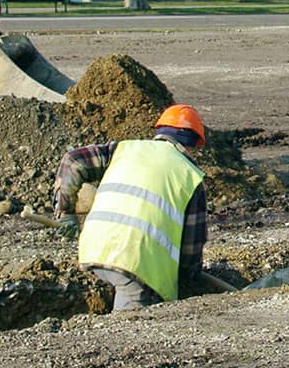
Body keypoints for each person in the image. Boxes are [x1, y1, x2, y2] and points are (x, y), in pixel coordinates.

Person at [52, 104, 210, 310]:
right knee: (127, 332)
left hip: (94, 248)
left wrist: (64, 212)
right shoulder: (190, 176)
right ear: (193, 144)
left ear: (159, 131)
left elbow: (72, 160)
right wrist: (188, 278)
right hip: (136, 263)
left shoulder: (122, 150)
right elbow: (191, 248)